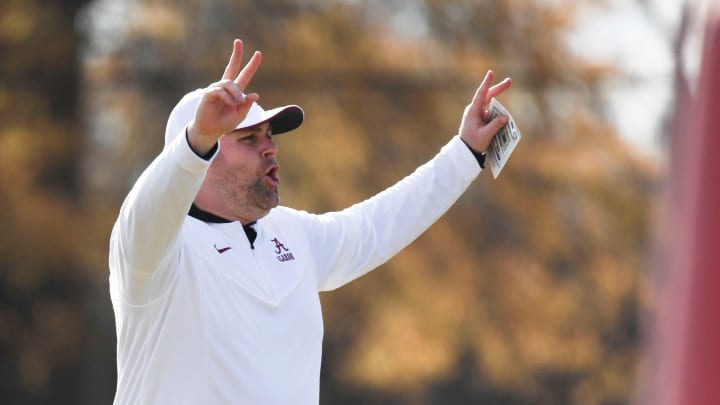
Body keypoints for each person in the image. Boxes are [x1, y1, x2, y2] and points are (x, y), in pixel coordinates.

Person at [109, 38, 512, 405]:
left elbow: (378, 224)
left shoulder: (291, 234)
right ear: (199, 158)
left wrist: (464, 154)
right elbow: (146, 212)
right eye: (249, 139)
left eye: (269, 135)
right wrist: (196, 139)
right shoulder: (156, 255)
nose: (270, 149)